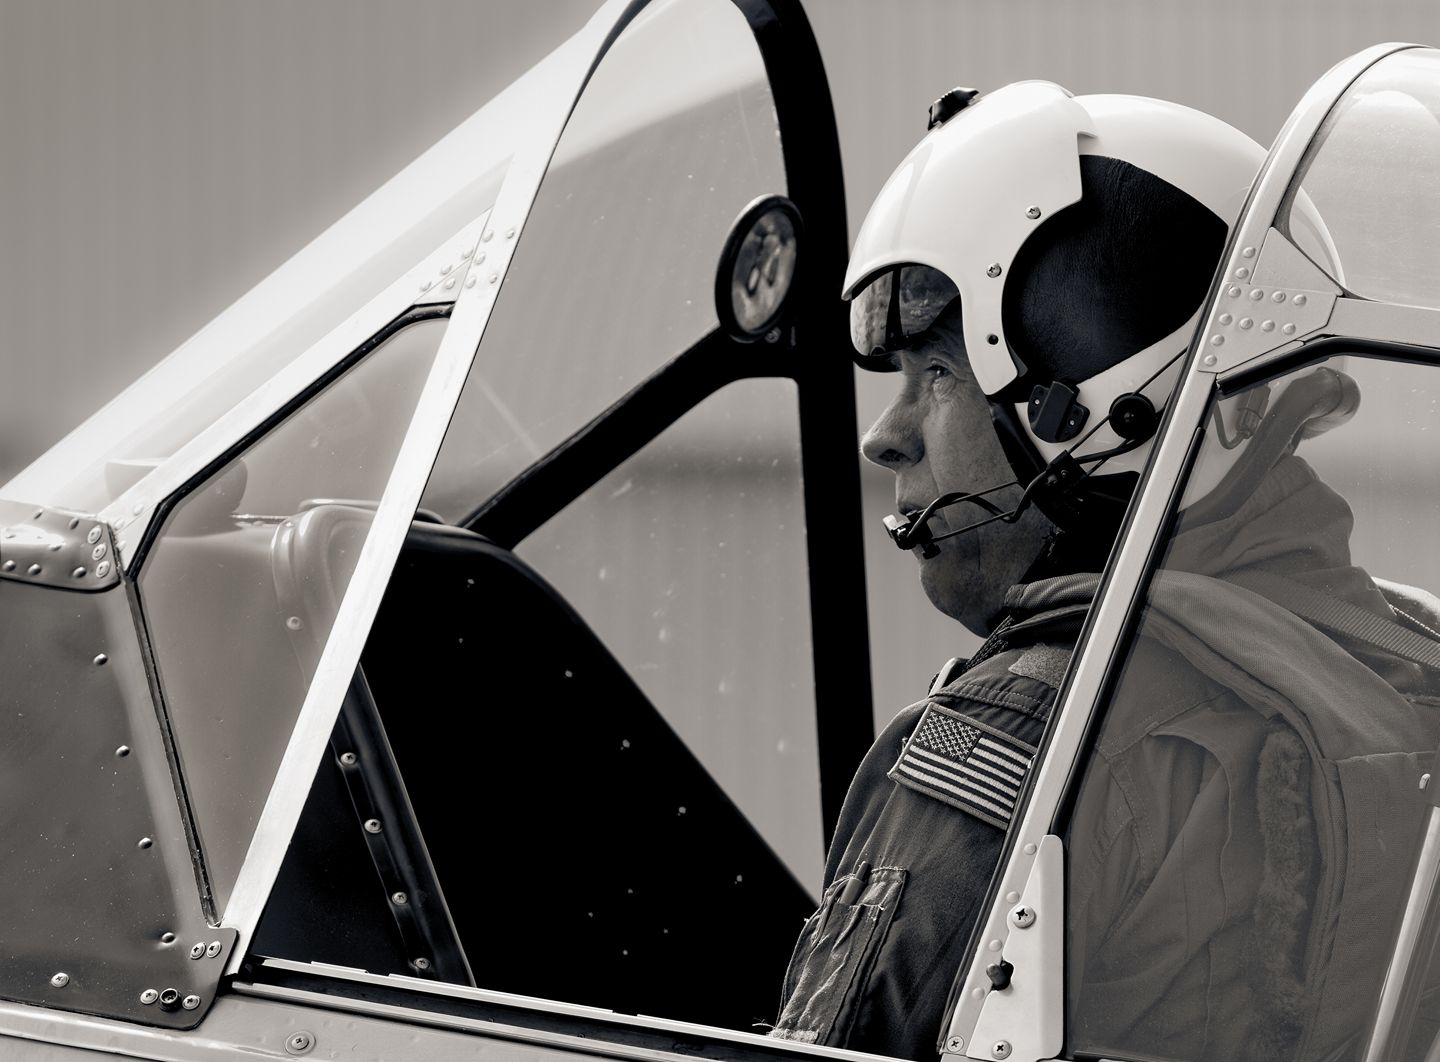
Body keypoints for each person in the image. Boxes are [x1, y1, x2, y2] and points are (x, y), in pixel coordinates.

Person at [769, 81, 1267, 1058]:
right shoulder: (1396, 673)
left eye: (939, 373)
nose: (884, 435)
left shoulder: (1031, 732)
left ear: (1107, 405)